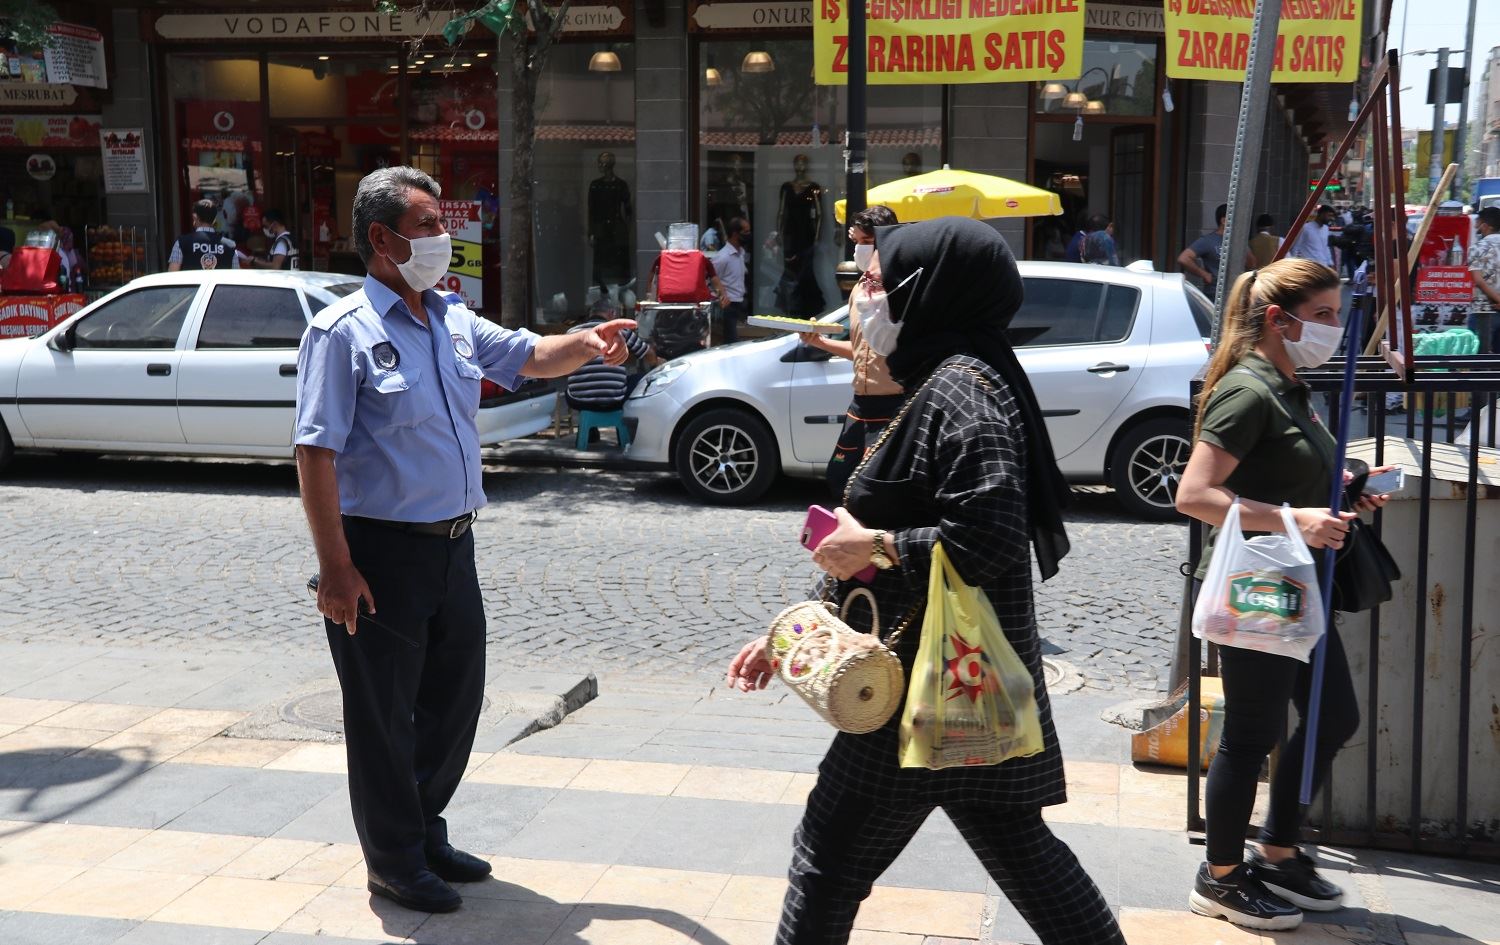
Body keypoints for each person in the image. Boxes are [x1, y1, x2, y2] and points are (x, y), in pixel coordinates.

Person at [729, 216, 1122, 945]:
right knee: (1019, 847)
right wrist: (794, 633)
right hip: (955, 680)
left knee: (827, 860)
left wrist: (877, 544)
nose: (861, 295)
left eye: (876, 281)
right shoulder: (939, 380)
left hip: (919, 684)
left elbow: (990, 537)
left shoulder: (963, 392)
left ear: (928, 290)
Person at [295, 166, 637, 915]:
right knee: (383, 717)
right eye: (426, 225)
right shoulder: (343, 332)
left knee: (455, 701)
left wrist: (587, 341)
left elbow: (528, 355)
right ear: (381, 238)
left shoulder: (450, 316)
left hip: (452, 547)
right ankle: (393, 861)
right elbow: (315, 453)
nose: (442, 238)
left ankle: (424, 831)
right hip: (379, 551)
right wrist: (335, 568)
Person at [1175, 258, 1392, 932]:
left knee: (1333, 717)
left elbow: (1284, 473)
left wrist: (1347, 487)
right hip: (1258, 586)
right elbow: (1194, 495)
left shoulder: (1289, 386)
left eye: (1336, 313)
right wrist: (1297, 519)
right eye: (1323, 314)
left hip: (1296, 583)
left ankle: (1276, 850)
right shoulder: (1248, 391)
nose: (1334, 326)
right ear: (1279, 319)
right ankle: (1220, 875)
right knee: (1252, 732)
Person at [799, 205, 902, 496]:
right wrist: (820, 343)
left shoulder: (900, 287)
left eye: (867, 242)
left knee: (874, 488)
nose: (859, 249)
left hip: (894, 404)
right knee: (840, 477)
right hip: (860, 402)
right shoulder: (860, 287)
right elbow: (861, 350)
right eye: (856, 242)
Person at [168, 199, 238, 271]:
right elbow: (236, 275)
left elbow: (173, 273)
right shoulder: (230, 245)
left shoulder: (181, 242)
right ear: (215, 219)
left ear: (194, 217)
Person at [712, 216, 752, 344]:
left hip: (740, 302)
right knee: (731, 342)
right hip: (728, 305)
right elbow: (711, 279)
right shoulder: (723, 257)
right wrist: (722, 297)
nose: (749, 235)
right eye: (746, 232)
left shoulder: (741, 253)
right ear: (735, 234)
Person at [1467, 206, 1500, 352]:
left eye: (1478, 222)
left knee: (1481, 357)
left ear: (1486, 226)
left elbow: (1479, 280)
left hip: (1484, 310)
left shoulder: (1477, 248)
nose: (1476, 226)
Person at [1178, 204, 1229, 289]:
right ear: (1224, 221)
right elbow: (1184, 258)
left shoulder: (1239, 242)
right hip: (1214, 292)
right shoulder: (1208, 240)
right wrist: (1205, 274)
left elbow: (1251, 263)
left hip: (1236, 292)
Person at [1287, 205, 1338, 272]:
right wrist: (1293, 266)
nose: (1331, 218)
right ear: (1321, 214)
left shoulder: (1325, 229)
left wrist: (1331, 264)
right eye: (1329, 215)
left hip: (1323, 266)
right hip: (1309, 267)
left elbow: (1325, 248)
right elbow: (1296, 247)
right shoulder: (1305, 228)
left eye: (1332, 216)